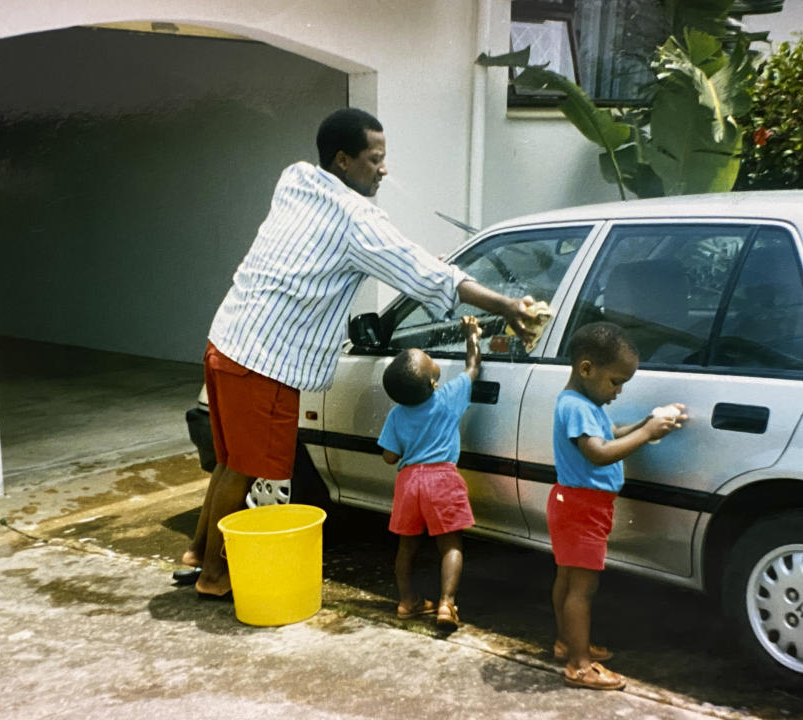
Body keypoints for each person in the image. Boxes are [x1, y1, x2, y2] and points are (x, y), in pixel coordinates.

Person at [182, 107, 539, 597]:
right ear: (344, 161)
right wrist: (506, 303)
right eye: (375, 159)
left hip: (229, 339)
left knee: (228, 464)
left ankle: (198, 554)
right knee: (242, 470)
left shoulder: (296, 180)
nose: (384, 170)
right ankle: (214, 577)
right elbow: (417, 269)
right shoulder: (357, 220)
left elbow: (397, 260)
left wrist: (410, 263)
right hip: (262, 359)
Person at [549, 321, 686, 690]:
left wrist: (649, 422)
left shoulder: (581, 402)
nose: (619, 391)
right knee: (582, 588)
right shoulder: (577, 407)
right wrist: (646, 435)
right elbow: (598, 453)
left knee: (567, 578)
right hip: (583, 507)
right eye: (615, 381)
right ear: (587, 368)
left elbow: (609, 435)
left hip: (573, 502)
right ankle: (580, 664)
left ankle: (567, 641)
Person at [378, 316, 482, 630]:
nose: (433, 360)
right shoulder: (448, 398)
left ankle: (407, 600)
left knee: (406, 546)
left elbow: (389, 456)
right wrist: (471, 336)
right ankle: (447, 604)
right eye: (431, 362)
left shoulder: (396, 414)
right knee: (450, 545)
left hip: (409, 482)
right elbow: (472, 368)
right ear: (433, 383)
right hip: (443, 480)